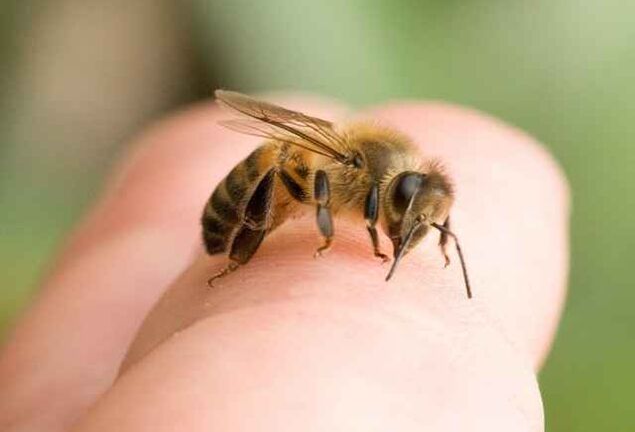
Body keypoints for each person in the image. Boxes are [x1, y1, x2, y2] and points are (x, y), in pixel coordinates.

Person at [0, 96, 569, 431]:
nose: (403, 229)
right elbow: (325, 184)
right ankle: (237, 255)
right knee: (283, 173)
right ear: (385, 185)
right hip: (262, 186)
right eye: (404, 217)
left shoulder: (397, 185)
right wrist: (325, 237)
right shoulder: (357, 170)